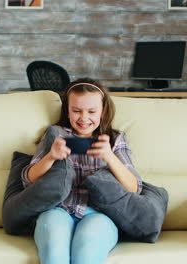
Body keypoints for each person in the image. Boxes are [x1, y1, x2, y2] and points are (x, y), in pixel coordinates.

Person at [21, 78, 143, 264]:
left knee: (87, 252)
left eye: (92, 111)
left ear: (102, 112)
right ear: (67, 112)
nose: (84, 118)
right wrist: (51, 157)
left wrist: (109, 157)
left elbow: (134, 188)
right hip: (57, 210)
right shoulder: (55, 134)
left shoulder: (115, 138)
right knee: (54, 252)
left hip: (99, 214)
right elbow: (27, 179)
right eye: (76, 111)